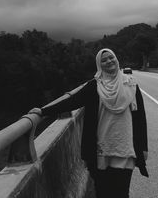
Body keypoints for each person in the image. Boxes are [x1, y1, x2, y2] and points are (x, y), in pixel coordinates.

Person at [29, 48, 148, 198]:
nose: (108, 61)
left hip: (125, 149)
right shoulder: (94, 87)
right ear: (99, 65)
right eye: (103, 60)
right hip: (100, 150)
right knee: (103, 192)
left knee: (121, 193)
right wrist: (43, 111)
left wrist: (143, 146)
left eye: (111, 58)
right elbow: (71, 102)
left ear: (116, 59)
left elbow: (140, 118)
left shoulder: (131, 85)